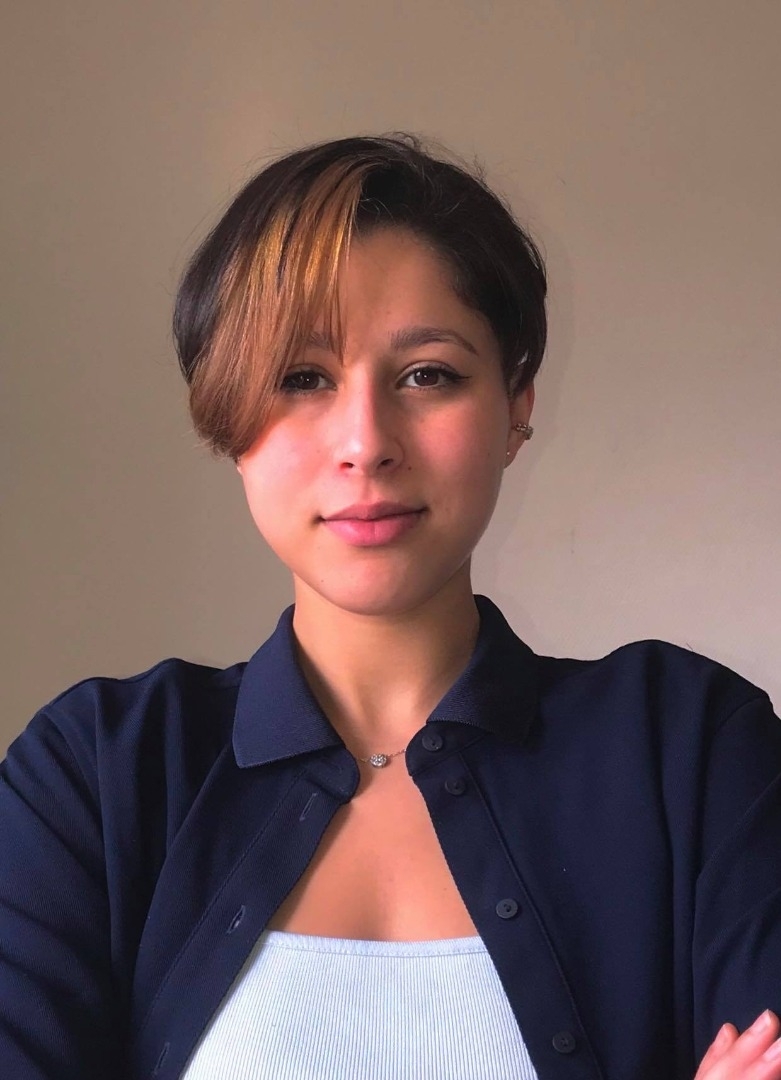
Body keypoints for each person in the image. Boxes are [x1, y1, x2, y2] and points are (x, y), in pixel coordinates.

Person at [1, 134, 780, 1080]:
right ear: (228, 418)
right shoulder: (95, 774)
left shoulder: (689, 749)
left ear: (515, 405)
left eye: (427, 375)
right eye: (300, 378)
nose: (365, 442)